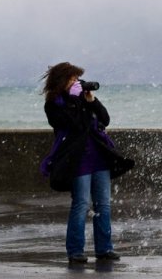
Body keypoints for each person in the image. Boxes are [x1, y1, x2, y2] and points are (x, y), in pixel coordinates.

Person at [39, 62, 134, 264]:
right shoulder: (53, 104)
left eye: (77, 79)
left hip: (99, 158)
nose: (76, 82)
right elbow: (74, 125)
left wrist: (92, 101)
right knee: (81, 204)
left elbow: (105, 119)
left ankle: (104, 248)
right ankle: (75, 250)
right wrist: (74, 99)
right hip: (77, 160)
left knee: (103, 205)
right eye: (72, 79)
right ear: (61, 81)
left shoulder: (84, 99)